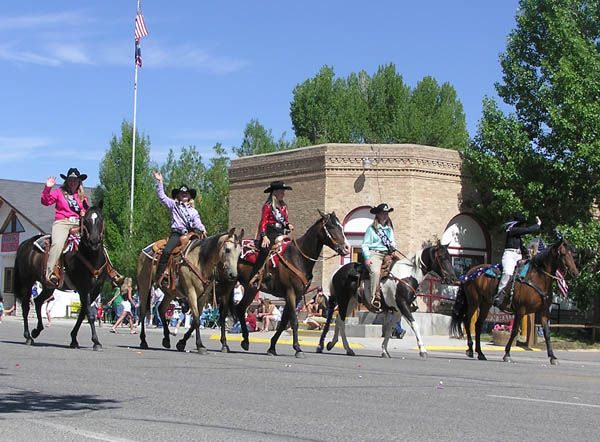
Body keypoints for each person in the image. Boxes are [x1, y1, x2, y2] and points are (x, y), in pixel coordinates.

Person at [41, 168, 123, 287]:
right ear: (67, 181)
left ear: (79, 182)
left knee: (97, 243)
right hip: (62, 223)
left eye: (75, 180)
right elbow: (45, 201)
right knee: (58, 244)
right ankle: (50, 273)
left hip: (79, 224)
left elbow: (86, 211)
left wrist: (84, 213)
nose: (73, 182)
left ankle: (111, 272)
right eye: (70, 180)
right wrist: (48, 187)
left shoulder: (82, 197)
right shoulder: (59, 192)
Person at [152, 171, 206, 287]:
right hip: (177, 234)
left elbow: (197, 222)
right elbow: (162, 197)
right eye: (182, 193)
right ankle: (161, 274)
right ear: (178, 196)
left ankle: (204, 275)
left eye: (186, 193)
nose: (184, 195)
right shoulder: (173, 205)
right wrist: (160, 182)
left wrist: (202, 229)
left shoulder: (193, 211)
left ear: (190, 196)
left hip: (191, 235)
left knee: (203, 250)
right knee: (167, 251)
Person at [250, 181, 294, 287]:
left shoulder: (284, 206)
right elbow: (263, 222)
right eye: (282, 191)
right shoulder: (268, 206)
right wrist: (264, 236)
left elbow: (284, 221)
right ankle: (256, 274)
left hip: (280, 232)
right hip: (269, 232)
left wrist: (288, 225)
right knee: (265, 249)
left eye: (284, 191)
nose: (283, 193)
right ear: (275, 192)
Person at [493, 214, 542, 308]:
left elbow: (522, 247)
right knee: (507, 272)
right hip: (509, 255)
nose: (523, 226)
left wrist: (527, 254)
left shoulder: (517, 236)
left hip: (518, 256)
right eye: (522, 224)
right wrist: (537, 225)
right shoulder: (512, 230)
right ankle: (500, 295)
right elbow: (527, 230)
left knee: (525, 275)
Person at [361, 203, 402, 310]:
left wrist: (393, 247)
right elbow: (365, 244)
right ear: (378, 215)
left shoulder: (389, 229)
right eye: (383, 213)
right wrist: (367, 258)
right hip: (375, 254)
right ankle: (374, 297)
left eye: (386, 213)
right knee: (375, 272)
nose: (385, 215)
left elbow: (392, 242)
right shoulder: (371, 229)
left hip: (387, 254)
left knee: (401, 268)